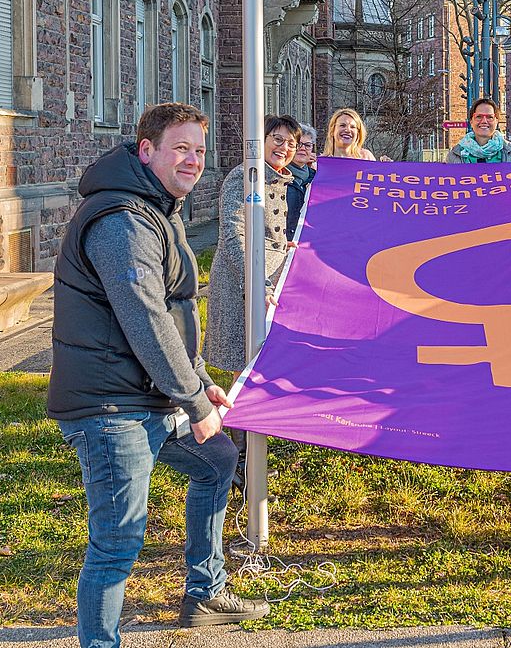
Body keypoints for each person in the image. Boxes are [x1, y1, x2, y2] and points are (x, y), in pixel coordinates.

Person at [47, 103, 269, 647]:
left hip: (143, 395)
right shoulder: (122, 218)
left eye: (199, 149)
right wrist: (193, 403)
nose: (193, 159)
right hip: (109, 407)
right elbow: (143, 315)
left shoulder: (157, 207)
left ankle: (204, 593)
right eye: (181, 148)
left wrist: (197, 377)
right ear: (147, 151)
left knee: (217, 460)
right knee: (118, 540)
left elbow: (169, 312)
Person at [203, 115, 298, 486]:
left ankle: (251, 453)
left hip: (267, 283)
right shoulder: (246, 176)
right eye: (277, 139)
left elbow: (268, 231)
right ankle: (238, 461)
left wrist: (282, 246)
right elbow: (233, 233)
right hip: (243, 286)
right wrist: (254, 283)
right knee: (242, 374)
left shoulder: (277, 178)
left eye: (291, 143)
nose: (285, 148)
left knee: (257, 370)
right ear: (260, 140)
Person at [446, 98, 511, 163]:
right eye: (479, 117)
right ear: (471, 121)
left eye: (490, 117)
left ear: (496, 121)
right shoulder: (454, 155)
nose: (484, 121)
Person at [286, 123, 318, 241]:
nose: (303, 148)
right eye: (299, 144)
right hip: (284, 245)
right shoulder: (279, 177)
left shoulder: (318, 178)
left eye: (308, 145)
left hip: (309, 244)